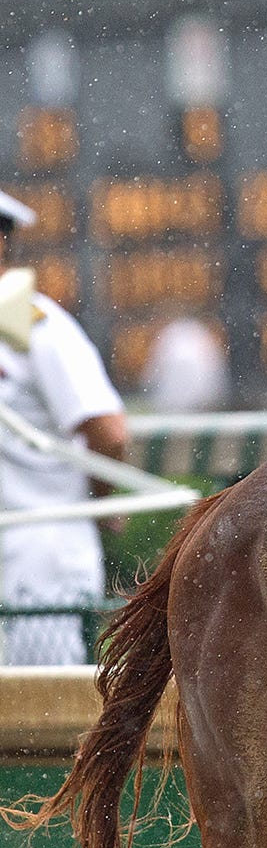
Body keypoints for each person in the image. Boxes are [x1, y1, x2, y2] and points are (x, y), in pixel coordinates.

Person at [0, 189, 128, 664]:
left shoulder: (35, 324)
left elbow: (108, 431)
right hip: (18, 536)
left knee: (42, 700)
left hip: (41, 543)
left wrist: (96, 499)